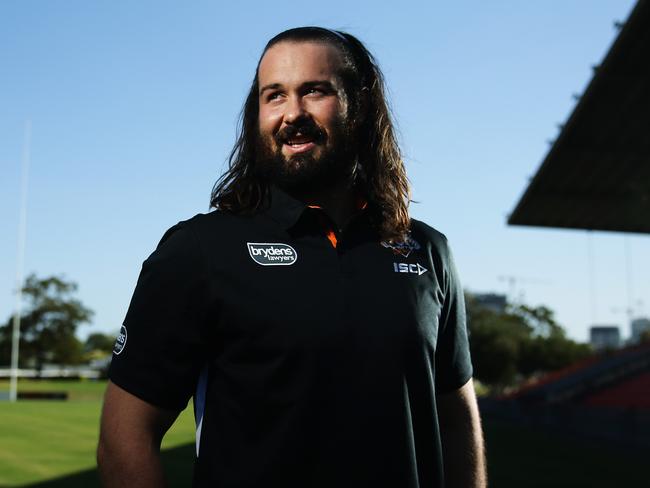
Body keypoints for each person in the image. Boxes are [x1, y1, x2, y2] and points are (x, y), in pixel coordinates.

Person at [97, 26, 486, 488]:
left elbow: (458, 419)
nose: (292, 114)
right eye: (274, 96)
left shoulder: (427, 250)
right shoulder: (198, 250)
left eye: (314, 91)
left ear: (359, 105)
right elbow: (124, 438)